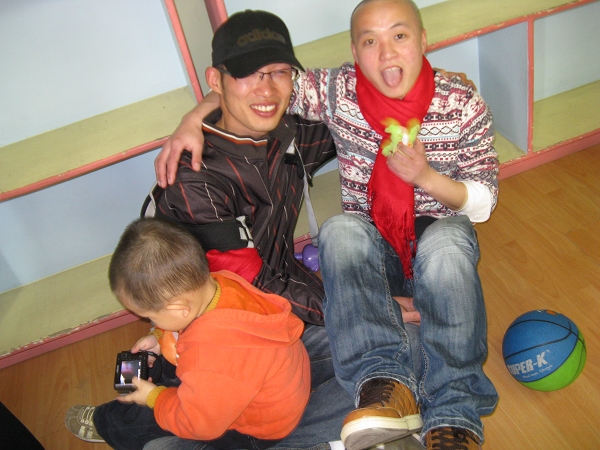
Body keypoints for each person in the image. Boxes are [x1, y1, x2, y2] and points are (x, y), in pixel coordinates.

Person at [153, 1, 500, 449]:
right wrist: (373, 307)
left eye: (278, 72)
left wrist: (432, 94)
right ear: (216, 81)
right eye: (248, 74)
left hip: (292, 300)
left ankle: (416, 410)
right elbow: (251, 288)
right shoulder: (193, 178)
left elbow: (375, 114)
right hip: (225, 328)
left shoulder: (290, 131)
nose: (267, 88)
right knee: (392, 326)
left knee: (414, 325)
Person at [65, 218, 311, 449]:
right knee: (163, 368)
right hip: (262, 385)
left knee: (151, 414)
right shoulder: (219, 282)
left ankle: (108, 424)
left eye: (151, 317)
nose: (151, 322)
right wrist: (160, 337)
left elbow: (197, 424)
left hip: (256, 430)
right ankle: (147, 390)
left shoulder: (211, 356)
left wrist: (155, 398)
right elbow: (192, 330)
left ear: (180, 309)